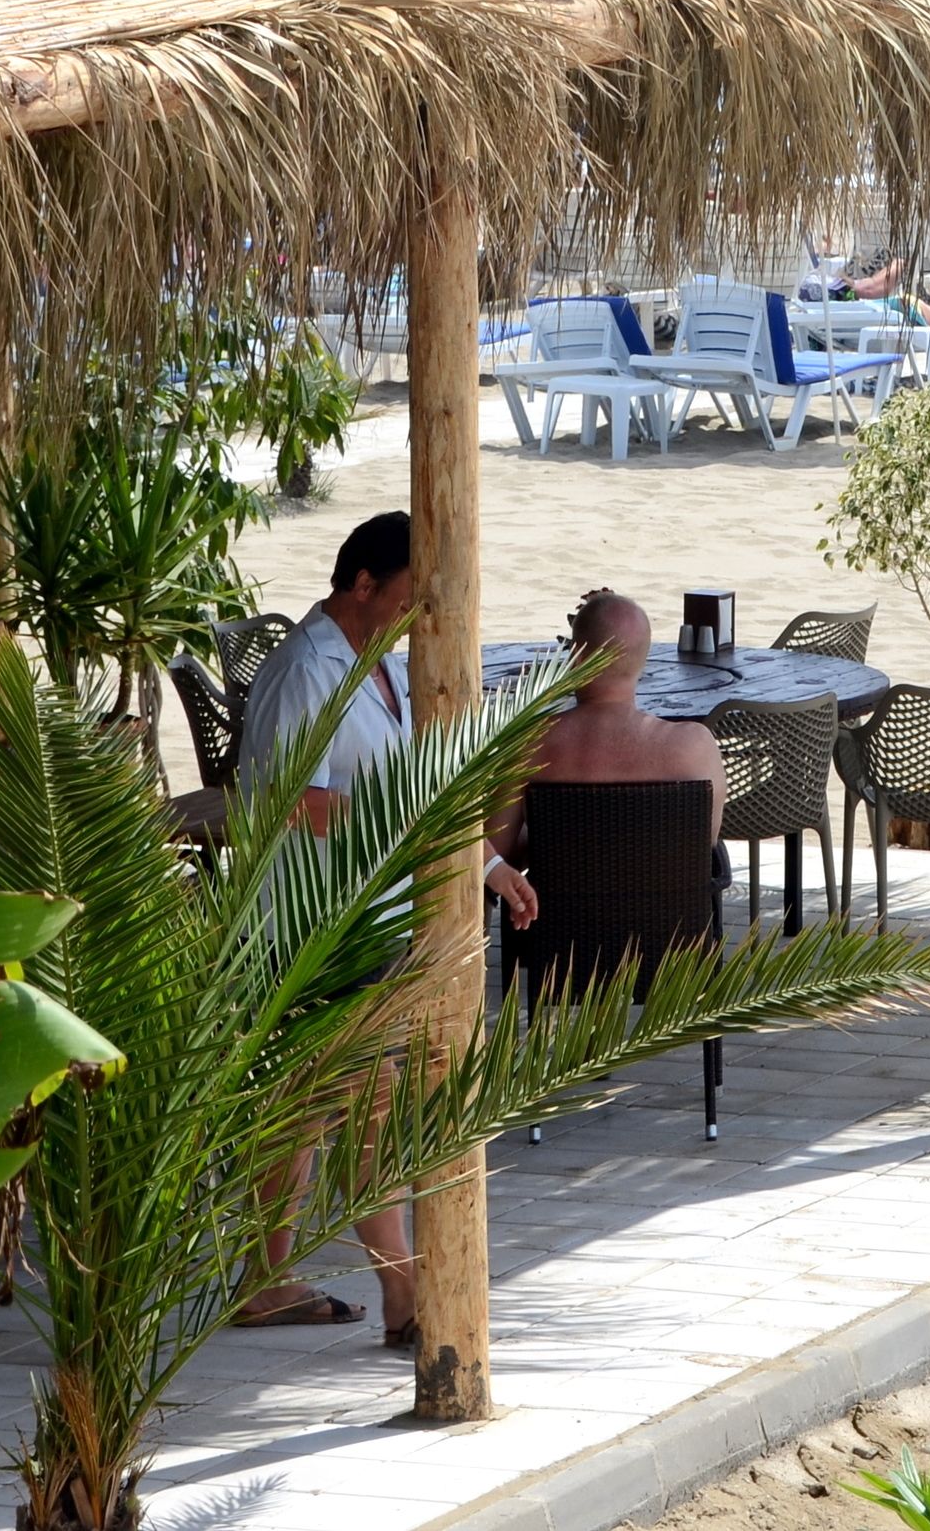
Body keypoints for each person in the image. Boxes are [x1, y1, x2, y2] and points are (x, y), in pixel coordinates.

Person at [226, 511, 537, 1342]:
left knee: (311, 1110)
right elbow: (292, 799)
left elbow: (419, 789)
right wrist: (400, 822)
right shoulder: (306, 671)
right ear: (362, 583)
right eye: (405, 594)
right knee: (362, 1107)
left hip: (373, 922)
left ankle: (268, 1277)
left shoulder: (390, 664)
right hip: (317, 928)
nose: (415, 612)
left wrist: (489, 866)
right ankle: (402, 1294)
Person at [489, 590, 724, 870]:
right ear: (643, 662)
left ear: (575, 659)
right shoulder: (696, 746)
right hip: (673, 912)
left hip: (560, 913)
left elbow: (496, 854)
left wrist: (554, 840)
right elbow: (701, 844)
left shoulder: (530, 744)